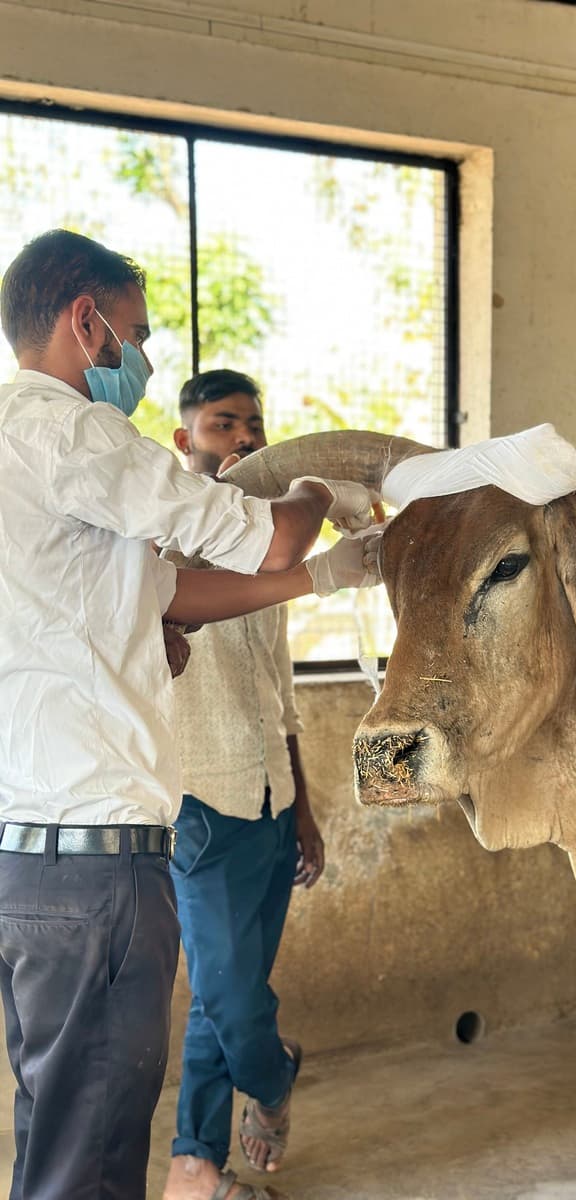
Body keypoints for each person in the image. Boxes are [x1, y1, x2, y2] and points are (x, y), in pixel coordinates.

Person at [0, 229, 378, 1200]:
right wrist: (317, 490)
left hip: (30, 853)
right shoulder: (79, 435)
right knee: (93, 1149)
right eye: (135, 335)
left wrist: (322, 575)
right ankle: (216, 1138)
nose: (142, 359)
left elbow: (172, 595)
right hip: (103, 853)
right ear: (85, 323)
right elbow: (273, 531)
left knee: (58, 1130)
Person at [162, 371, 324, 1200]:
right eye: (224, 424)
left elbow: (281, 693)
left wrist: (306, 811)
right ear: (185, 440)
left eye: (255, 425)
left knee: (222, 999)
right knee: (229, 995)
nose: (245, 438)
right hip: (199, 806)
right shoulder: (153, 541)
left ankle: (196, 1165)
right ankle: (275, 1073)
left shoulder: (274, 547)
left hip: (272, 801)